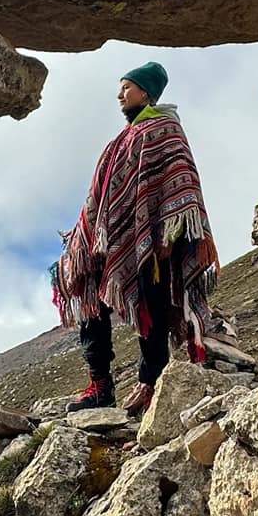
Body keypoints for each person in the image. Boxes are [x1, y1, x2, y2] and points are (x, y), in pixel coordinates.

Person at [51, 61, 219, 413]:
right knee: (86, 291)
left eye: (126, 87)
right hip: (110, 240)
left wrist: (167, 235)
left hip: (153, 241)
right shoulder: (122, 140)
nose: (119, 94)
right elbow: (105, 194)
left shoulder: (164, 129)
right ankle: (100, 385)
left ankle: (152, 382)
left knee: (151, 310)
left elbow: (182, 182)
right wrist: (88, 233)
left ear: (145, 91)